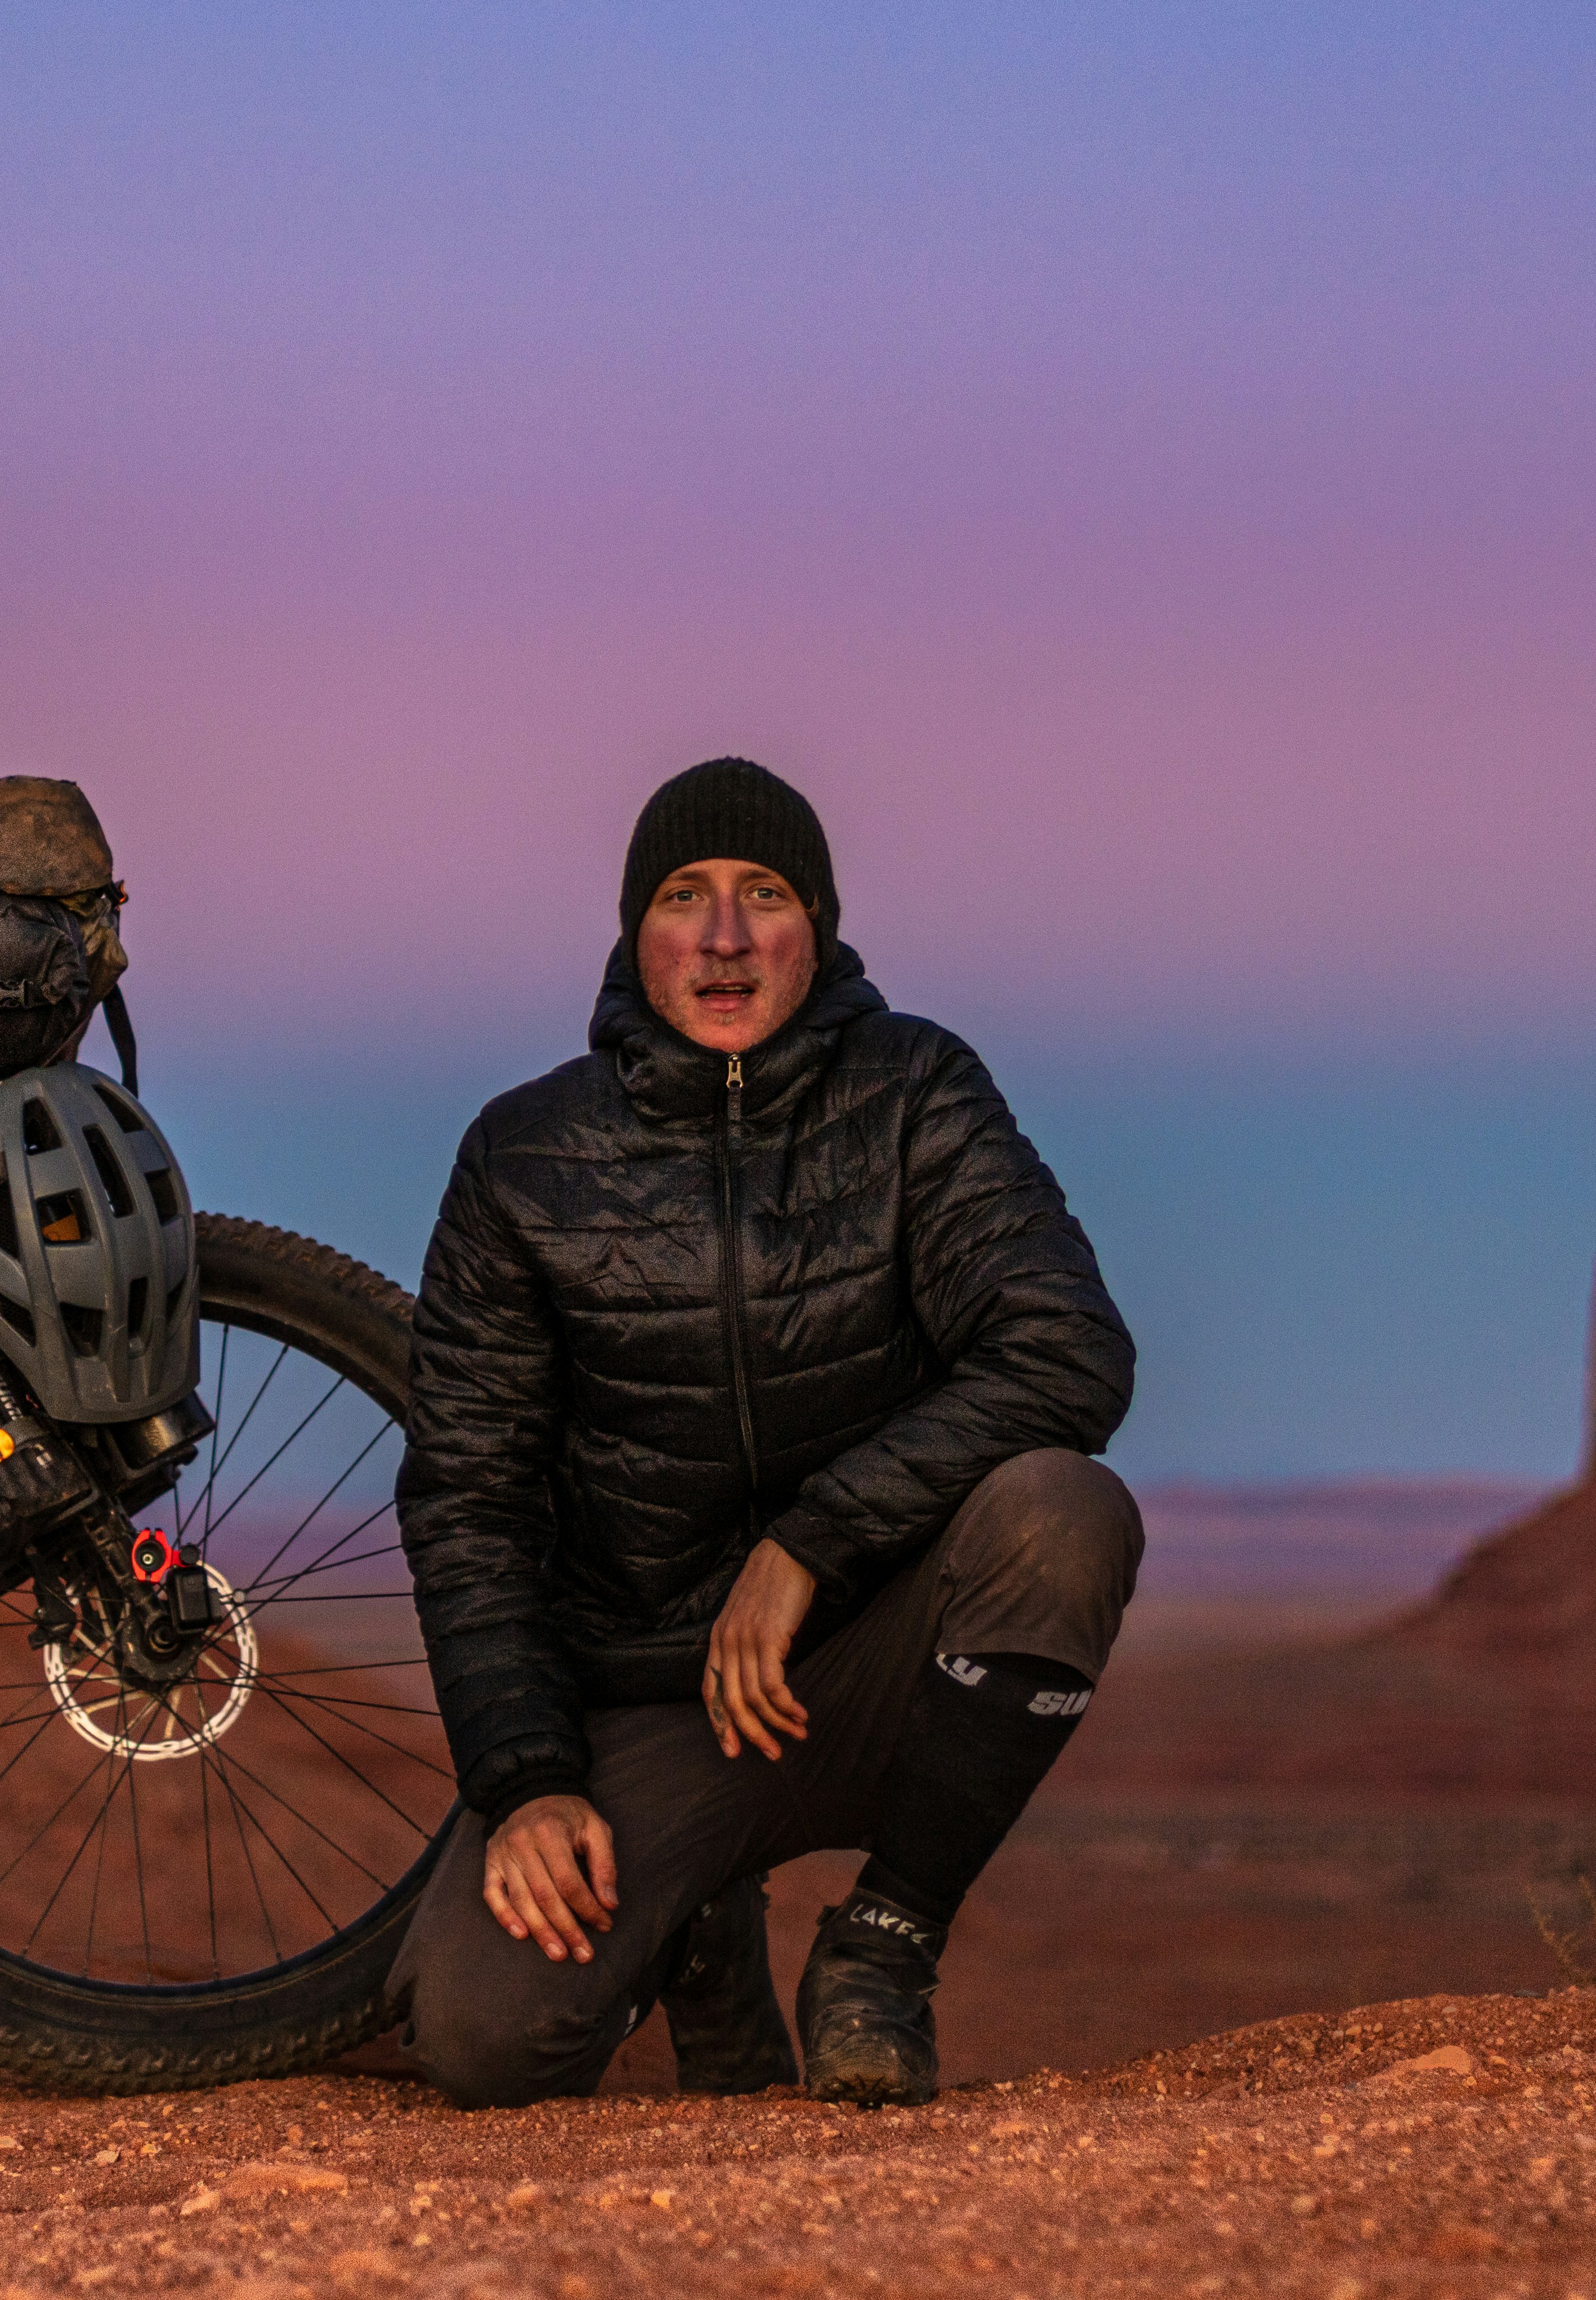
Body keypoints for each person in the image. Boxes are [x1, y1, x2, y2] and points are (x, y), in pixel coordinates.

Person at [389, 757, 1141, 2107]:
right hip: (651, 1700)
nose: (725, 939)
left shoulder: (915, 1093)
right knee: (483, 2037)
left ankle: (880, 1950)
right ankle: (701, 1934)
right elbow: (469, 1496)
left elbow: (1067, 1348)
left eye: (764, 896)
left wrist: (812, 1540)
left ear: (821, 926)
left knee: (1061, 1516)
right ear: (637, 930)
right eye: (685, 897)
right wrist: (528, 1777)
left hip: (868, 1663)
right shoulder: (524, 1157)